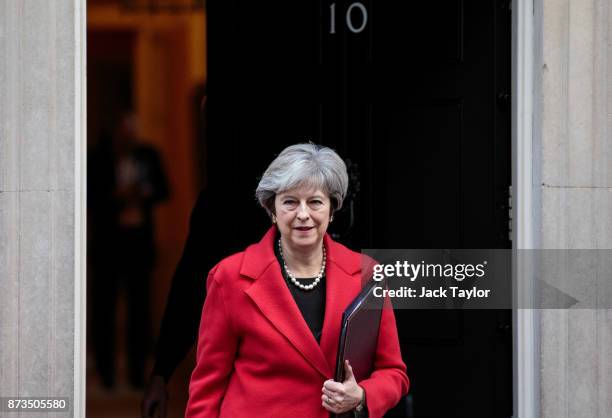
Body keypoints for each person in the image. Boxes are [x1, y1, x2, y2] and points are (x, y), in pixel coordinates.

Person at [185, 143, 409, 418]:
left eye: (315, 201)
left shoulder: (366, 274)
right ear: (272, 210)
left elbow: (393, 372)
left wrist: (361, 396)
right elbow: (206, 390)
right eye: (290, 201)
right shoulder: (229, 278)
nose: (303, 214)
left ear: (332, 209)